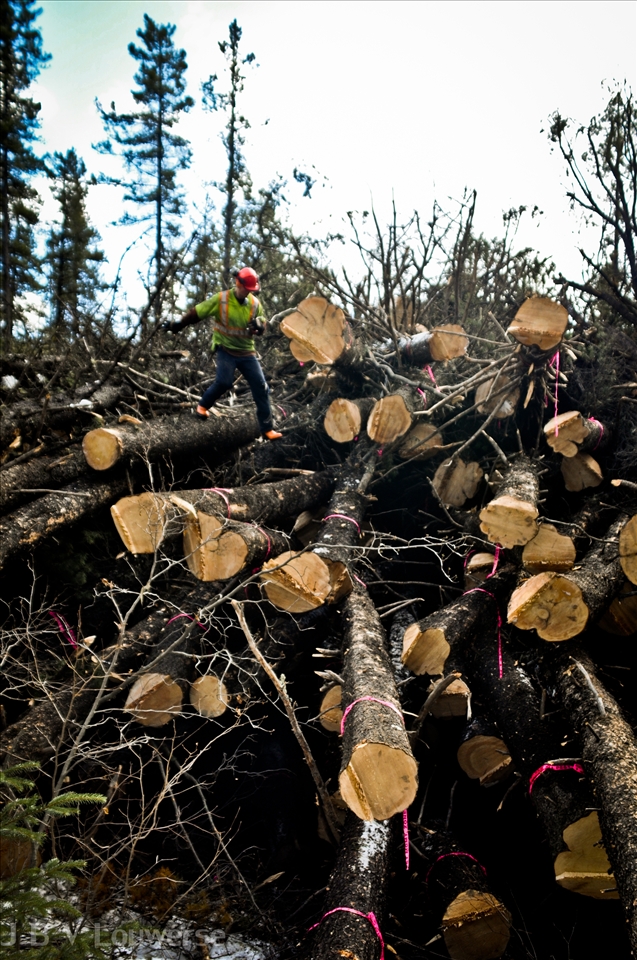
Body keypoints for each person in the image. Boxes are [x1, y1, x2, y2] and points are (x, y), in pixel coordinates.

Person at [165, 267, 282, 440]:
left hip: (247, 352)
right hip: (226, 349)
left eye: (251, 291)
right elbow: (197, 312)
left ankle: (267, 429)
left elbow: (262, 324)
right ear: (238, 283)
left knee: (261, 387)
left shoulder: (255, 304)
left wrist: (259, 327)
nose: (248, 293)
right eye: (246, 289)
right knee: (224, 381)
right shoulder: (222, 299)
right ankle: (203, 406)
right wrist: (178, 325)